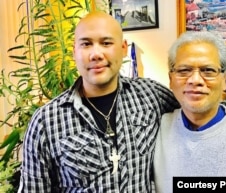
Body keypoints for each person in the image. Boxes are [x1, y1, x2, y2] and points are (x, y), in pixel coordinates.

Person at [17, 11, 179, 193]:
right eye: (86, 44)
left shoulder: (151, 95)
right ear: (74, 51)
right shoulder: (46, 121)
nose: (96, 54)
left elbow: (195, 116)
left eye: (106, 43)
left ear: (124, 48)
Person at [153, 31, 226, 193]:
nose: (195, 80)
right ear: (170, 79)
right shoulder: (156, 128)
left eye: (208, 70)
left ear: (223, 80)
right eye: (184, 70)